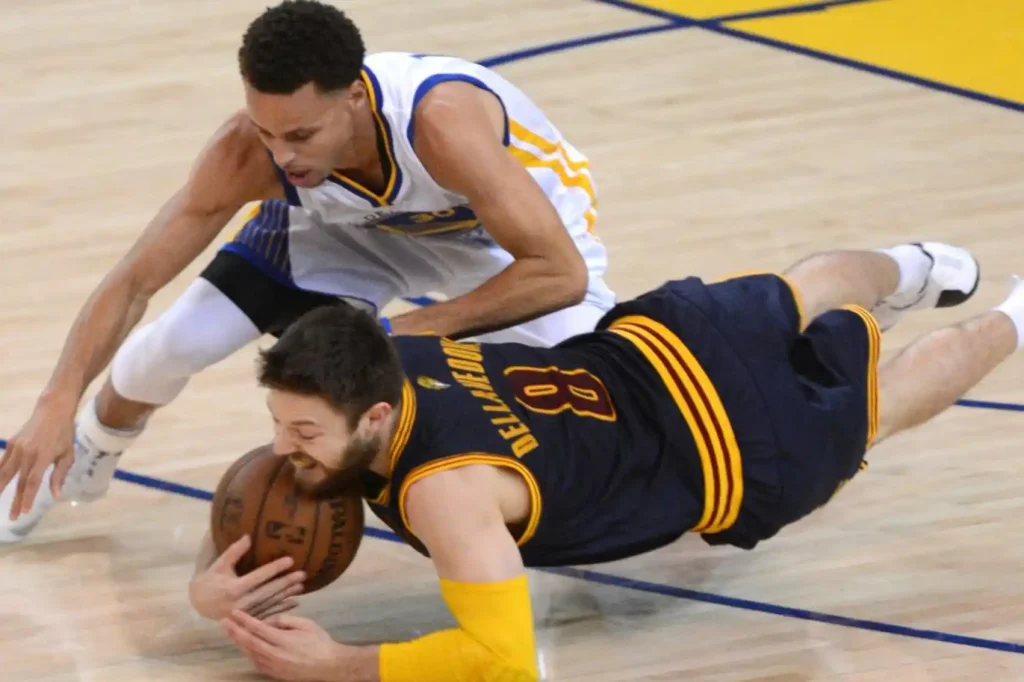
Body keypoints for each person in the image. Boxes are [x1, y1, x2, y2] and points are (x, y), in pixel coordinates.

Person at [191, 240, 1021, 682]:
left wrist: (344, 667)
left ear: (375, 417)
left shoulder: (445, 495)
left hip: (730, 450)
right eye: (279, 426)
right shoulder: (385, 348)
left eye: (301, 436)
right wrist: (211, 574)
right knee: (794, 287)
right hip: (662, 348)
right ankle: (914, 267)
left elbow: (505, 663)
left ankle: (1014, 320)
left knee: (886, 404)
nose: (280, 450)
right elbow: (291, 455)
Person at [0, 0, 615, 541]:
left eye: (300, 133)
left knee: (595, 403)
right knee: (181, 340)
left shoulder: (439, 122)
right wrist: (57, 398)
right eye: (267, 131)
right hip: (352, 234)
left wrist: (400, 336)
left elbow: (558, 273)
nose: (282, 154)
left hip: (509, 246)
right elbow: (135, 281)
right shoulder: (251, 152)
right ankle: (92, 444)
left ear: (354, 94)